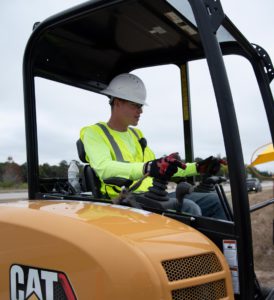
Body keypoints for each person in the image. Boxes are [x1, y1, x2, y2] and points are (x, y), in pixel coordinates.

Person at [80, 73, 227, 219]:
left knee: (216, 201)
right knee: (189, 207)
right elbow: (104, 168)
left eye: (141, 106)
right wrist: (148, 167)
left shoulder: (137, 135)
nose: (141, 111)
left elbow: (159, 170)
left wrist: (197, 168)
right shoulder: (94, 133)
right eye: (136, 105)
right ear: (118, 102)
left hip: (152, 196)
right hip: (123, 200)